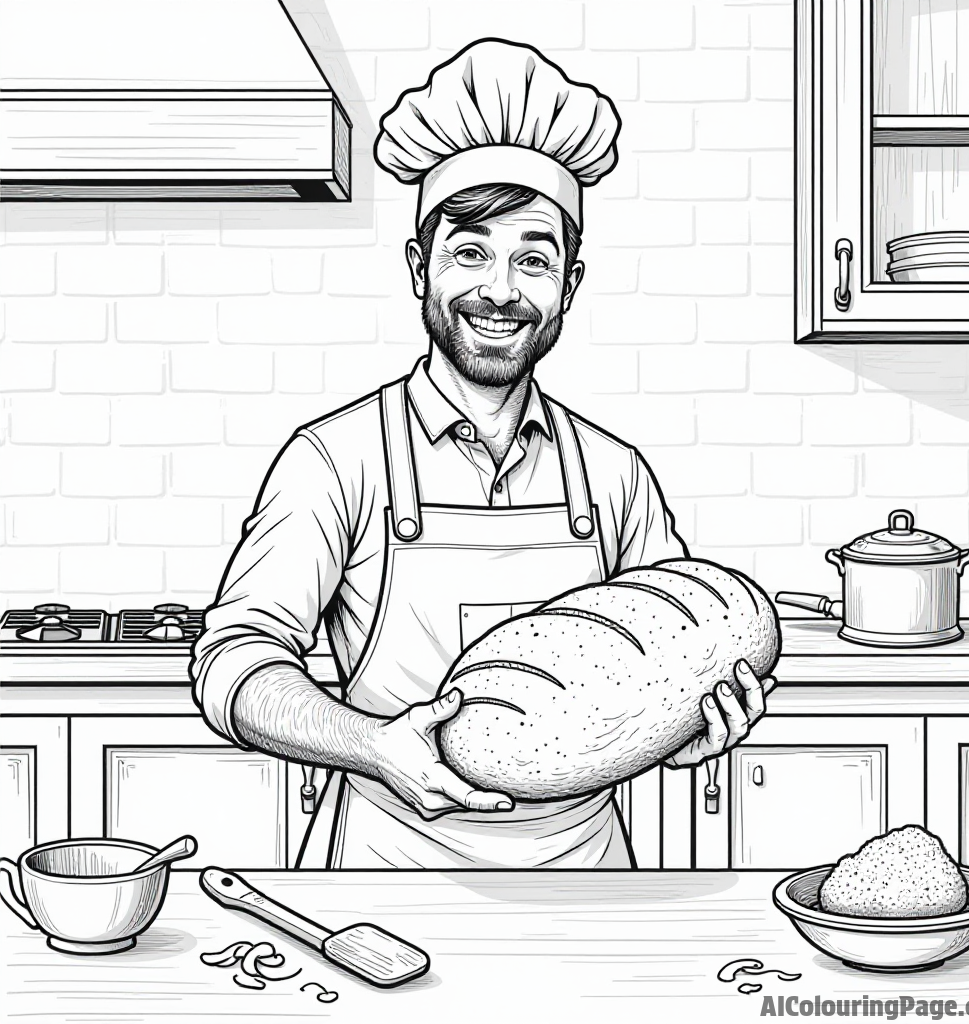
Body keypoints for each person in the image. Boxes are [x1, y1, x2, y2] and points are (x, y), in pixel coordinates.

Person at [190, 40, 775, 869]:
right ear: (419, 265)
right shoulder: (336, 459)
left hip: (589, 875)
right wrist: (371, 745)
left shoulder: (613, 474)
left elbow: (675, 650)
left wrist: (677, 732)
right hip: (388, 872)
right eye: (471, 251)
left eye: (533, 259)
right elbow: (236, 662)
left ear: (569, 284)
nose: (501, 289)